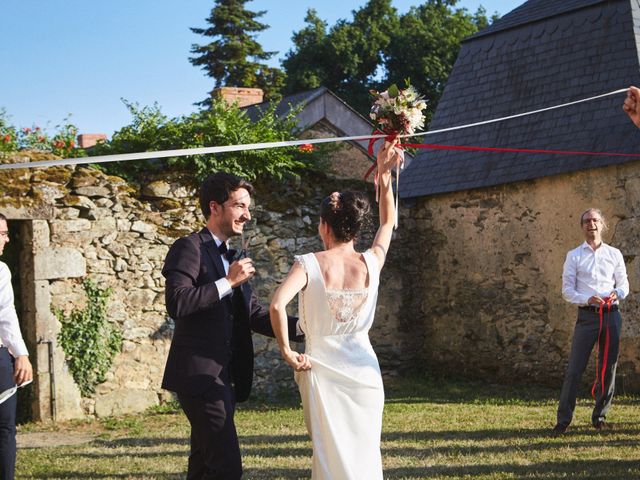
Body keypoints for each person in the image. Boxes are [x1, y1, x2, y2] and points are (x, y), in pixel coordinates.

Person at [270, 139, 400, 479]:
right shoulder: (372, 261)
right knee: (365, 455)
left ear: (324, 226)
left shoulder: (308, 264)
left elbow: (276, 304)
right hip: (365, 374)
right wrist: (384, 175)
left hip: (321, 370)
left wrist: (286, 350)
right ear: (356, 228)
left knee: (329, 459)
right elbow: (388, 223)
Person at [161, 172, 303, 479]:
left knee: (203, 464)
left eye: (247, 207)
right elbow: (178, 303)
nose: (247, 215)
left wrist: (305, 327)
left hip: (224, 376)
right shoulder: (189, 248)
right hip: (200, 378)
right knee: (227, 467)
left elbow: (252, 315)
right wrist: (227, 282)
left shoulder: (233, 256)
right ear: (215, 207)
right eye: (239, 206)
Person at [552, 208, 629, 435]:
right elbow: (567, 291)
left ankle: (600, 417)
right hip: (587, 317)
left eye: (595, 220)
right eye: (586, 221)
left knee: (609, 368)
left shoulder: (614, 254)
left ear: (602, 224)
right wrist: (586, 298)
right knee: (575, 369)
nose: (591, 224)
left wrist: (618, 293)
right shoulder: (573, 256)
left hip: (611, 315)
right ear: (582, 226)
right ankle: (563, 421)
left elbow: (624, 284)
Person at [0, 212, 33, 479]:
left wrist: (21, 354)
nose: (7, 239)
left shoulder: (0, 270)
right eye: (1, 233)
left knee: (4, 429)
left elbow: (6, 315)